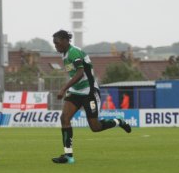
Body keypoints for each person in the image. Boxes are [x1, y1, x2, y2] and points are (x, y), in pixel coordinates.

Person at [52, 30, 131, 164]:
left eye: (57, 43)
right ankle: (68, 156)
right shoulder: (64, 54)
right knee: (64, 118)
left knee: (95, 127)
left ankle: (119, 121)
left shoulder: (74, 52)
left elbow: (80, 73)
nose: (55, 46)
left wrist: (64, 88)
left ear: (65, 41)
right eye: (54, 44)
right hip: (76, 91)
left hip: (89, 91)